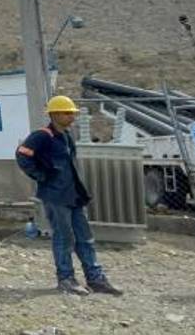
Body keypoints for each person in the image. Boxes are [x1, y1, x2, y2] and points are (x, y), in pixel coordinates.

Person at [15, 95, 122, 296]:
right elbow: (22, 155)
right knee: (64, 238)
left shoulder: (66, 136)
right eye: (67, 113)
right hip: (55, 196)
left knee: (85, 237)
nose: (71, 117)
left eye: (72, 113)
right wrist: (41, 176)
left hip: (73, 194)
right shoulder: (42, 136)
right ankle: (66, 279)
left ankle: (95, 279)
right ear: (54, 114)